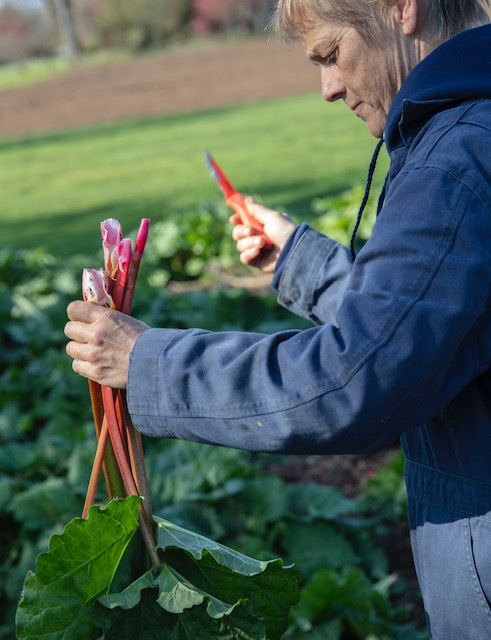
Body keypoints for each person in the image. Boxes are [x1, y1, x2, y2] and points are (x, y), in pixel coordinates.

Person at [64, 1, 491, 637]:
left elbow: (355, 381)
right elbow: (431, 325)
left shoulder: (454, 160)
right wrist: (301, 261)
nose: (329, 88)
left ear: (402, 7)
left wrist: (147, 363)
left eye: (330, 54)